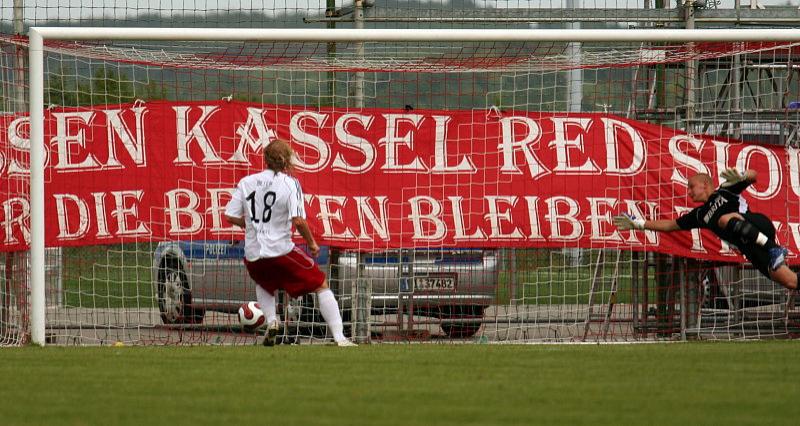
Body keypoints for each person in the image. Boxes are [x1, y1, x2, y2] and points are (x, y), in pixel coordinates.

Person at [225, 139, 357, 347]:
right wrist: (312, 243)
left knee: (264, 283)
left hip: (253, 254)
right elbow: (298, 220)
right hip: (280, 250)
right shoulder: (290, 183)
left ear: (266, 160)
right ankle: (340, 338)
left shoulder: (247, 182)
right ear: (286, 160)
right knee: (321, 284)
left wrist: (249, 224)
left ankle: (272, 321)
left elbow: (230, 216)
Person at [613, 168, 798, 291]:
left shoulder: (724, 191)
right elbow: (670, 225)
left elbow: (754, 175)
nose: (689, 192)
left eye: (691, 187)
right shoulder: (700, 214)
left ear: (706, 184)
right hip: (750, 247)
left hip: (759, 226)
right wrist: (639, 224)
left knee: (725, 219)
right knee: (790, 281)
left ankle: (774, 248)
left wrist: (743, 176)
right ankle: (772, 251)